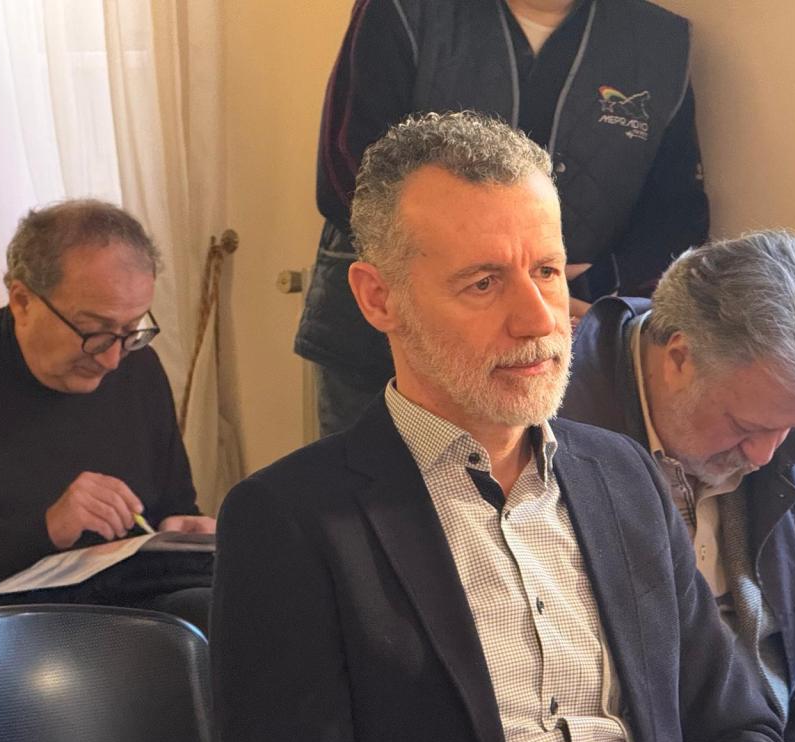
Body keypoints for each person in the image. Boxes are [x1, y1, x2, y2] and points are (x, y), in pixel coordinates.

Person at [212, 112, 789, 742]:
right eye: (484, 283)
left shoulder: (624, 475)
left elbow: (744, 734)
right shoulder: (291, 520)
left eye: (547, 271)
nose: (539, 319)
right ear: (379, 299)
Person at [295, 0, 710, 436]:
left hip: (562, 345)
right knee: (373, 492)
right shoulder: (401, 11)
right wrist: (482, 278)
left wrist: (575, 290)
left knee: (539, 494)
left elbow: (676, 214)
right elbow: (350, 172)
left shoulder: (660, 41)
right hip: (385, 346)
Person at [560, 231, 795, 742]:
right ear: (679, 357)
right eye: (744, 426)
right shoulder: (553, 441)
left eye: (790, 427)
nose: (764, 456)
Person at [0, 199, 215, 627]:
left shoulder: (137, 366)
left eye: (131, 331)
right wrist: (50, 527)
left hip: (129, 606)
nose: (112, 360)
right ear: (22, 301)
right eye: (93, 331)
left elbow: (173, 501)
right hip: (10, 630)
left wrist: (181, 531)